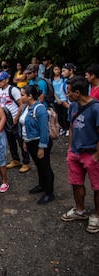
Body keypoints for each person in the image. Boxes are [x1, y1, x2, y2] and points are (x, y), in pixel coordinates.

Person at [60, 76, 99, 234]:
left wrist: (96, 155)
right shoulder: (73, 106)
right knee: (76, 183)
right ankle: (79, 209)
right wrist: (70, 148)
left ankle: (97, 215)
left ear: (77, 92)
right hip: (75, 152)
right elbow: (71, 127)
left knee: (97, 186)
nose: (66, 95)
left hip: (91, 153)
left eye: (68, 93)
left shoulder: (96, 108)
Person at [19, 85, 55, 204]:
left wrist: (41, 147)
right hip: (30, 141)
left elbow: (44, 130)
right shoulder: (26, 107)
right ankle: (42, 185)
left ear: (30, 96)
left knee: (45, 166)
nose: (21, 97)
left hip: (40, 142)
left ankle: (49, 193)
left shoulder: (40, 109)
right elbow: (25, 126)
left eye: (23, 95)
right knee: (39, 165)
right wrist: (25, 141)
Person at [0, 70, 31, 173]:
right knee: (11, 142)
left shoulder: (13, 90)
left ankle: (26, 162)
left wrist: (16, 117)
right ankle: (16, 160)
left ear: (7, 80)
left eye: (1, 80)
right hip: (6, 120)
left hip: (15, 119)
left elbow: (22, 104)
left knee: (21, 141)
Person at [51, 65, 69, 136]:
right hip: (56, 99)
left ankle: (67, 128)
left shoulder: (63, 78)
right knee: (58, 115)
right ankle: (62, 127)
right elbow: (53, 90)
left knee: (65, 114)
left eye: (58, 69)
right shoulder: (52, 79)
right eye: (55, 69)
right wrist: (57, 98)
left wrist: (63, 98)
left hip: (64, 98)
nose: (57, 71)